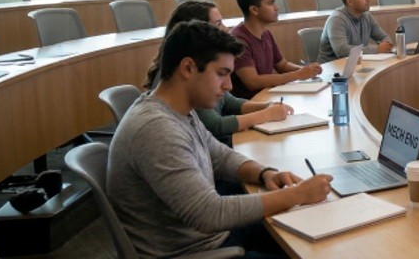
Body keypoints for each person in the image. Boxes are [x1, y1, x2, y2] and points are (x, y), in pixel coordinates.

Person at [111, 20, 333, 259]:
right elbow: (208, 213)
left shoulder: (179, 110)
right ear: (188, 68)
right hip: (199, 250)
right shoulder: (156, 128)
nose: (228, 86)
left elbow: (218, 155)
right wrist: (296, 194)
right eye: (221, 74)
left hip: (216, 237)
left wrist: (264, 173)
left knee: (323, 236)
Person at [142, 0, 294, 146]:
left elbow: (229, 102)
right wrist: (266, 115)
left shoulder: (203, 67)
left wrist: (266, 106)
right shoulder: (190, 77)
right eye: (218, 24)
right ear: (198, 31)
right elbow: (215, 125)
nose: (226, 29)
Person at [231, 0, 323, 98]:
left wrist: (308, 70)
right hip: (250, 105)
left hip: (268, 97)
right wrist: (298, 75)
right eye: (271, 3)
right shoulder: (238, 40)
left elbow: (282, 66)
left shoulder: (265, 33)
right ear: (254, 10)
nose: (277, 8)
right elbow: (253, 82)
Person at [317, 0, 394, 63]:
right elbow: (342, 51)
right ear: (350, 1)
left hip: (354, 64)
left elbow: (383, 36)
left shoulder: (366, 15)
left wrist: (387, 45)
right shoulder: (337, 19)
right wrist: (377, 49)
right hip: (331, 68)